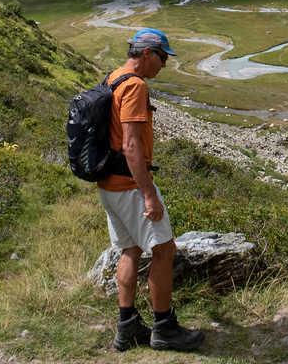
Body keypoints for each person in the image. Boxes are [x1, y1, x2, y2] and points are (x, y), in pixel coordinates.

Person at [97, 28, 205, 352]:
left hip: (109, 185)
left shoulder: (112, 77)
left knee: (130, 250)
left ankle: (126, 328)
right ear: (147, 53)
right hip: (130, 186)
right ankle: (164, 328)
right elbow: (131, 146)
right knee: (164, 250)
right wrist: (148, 194)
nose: (165, 65)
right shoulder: (134, 86)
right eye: (163, 57)